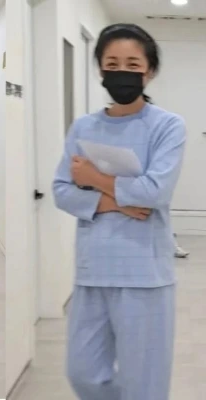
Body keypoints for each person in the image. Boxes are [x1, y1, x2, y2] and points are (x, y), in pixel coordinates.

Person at [53, 23, 186, 400]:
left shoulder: (167, 126)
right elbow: (62, 191)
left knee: (144, 384)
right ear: (100, 69)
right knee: (83, 374)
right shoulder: (84, 126)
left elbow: (155, 191)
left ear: (150, 71)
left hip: (145, 272)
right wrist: (117, 201)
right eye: (112, 63)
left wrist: (93, 178)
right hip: (92, 269)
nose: (121, 72)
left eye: (132, 64)